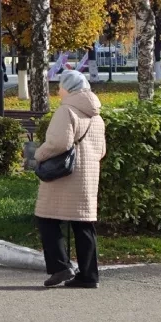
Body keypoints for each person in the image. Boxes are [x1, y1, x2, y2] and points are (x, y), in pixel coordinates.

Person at [33, 70, 107, 289]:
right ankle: (89, 276)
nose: (58, 90)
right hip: (87, 177)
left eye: (60, 86)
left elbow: (59, 143)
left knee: (46, 219)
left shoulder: (67, 111)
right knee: (84, 226)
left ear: (69, 88)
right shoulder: (96, 114)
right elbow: (101, 150)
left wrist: (38, 155)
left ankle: (60, 266)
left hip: (64, 178)